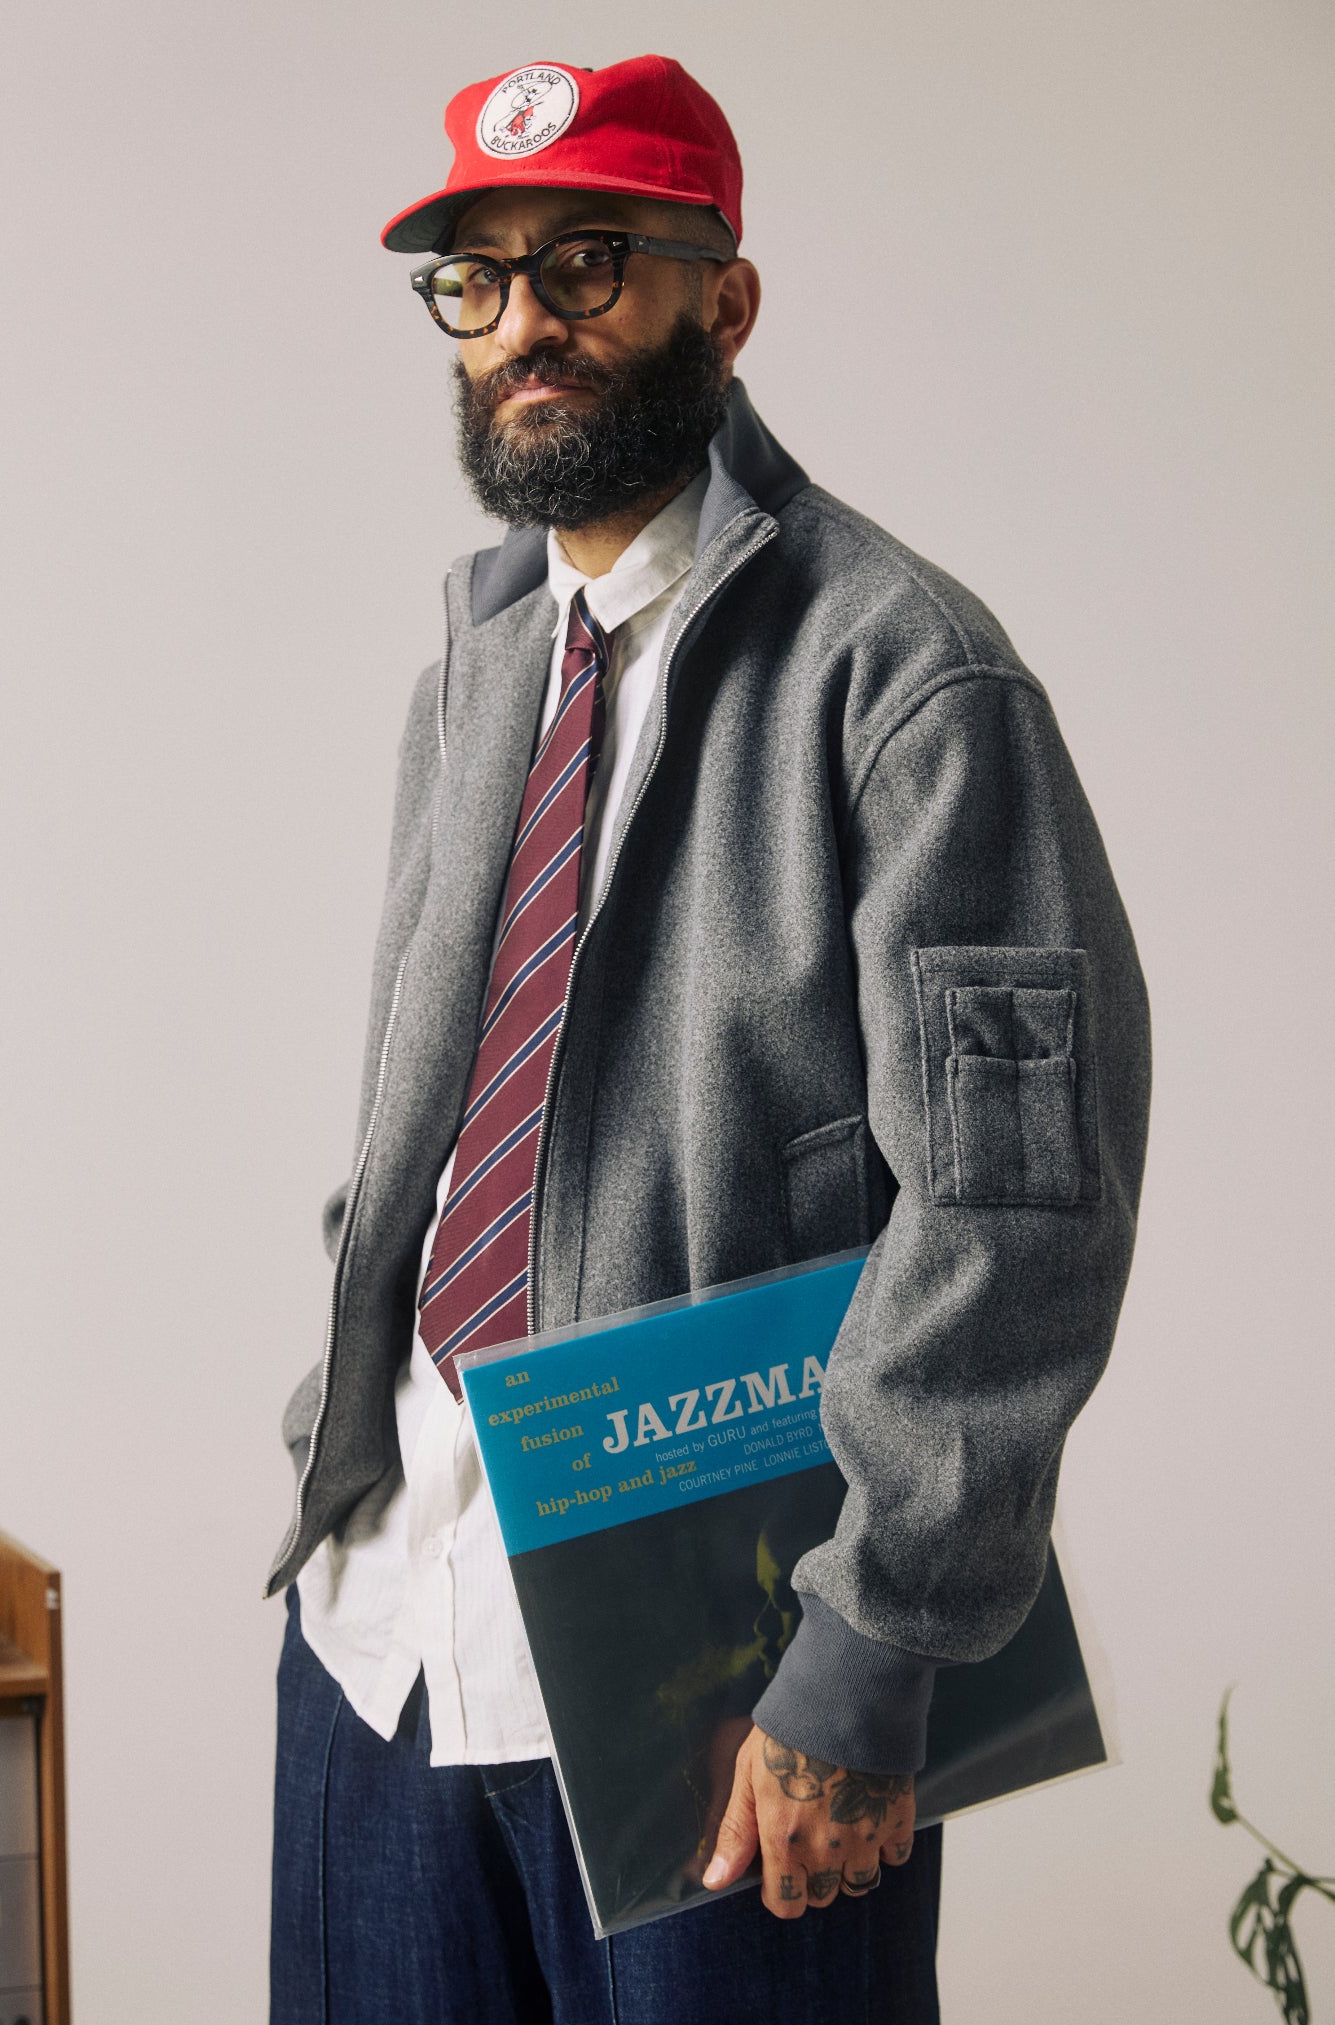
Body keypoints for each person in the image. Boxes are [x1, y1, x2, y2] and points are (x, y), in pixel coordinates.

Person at [266, 53, 1150, 2025]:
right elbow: (434, 1132)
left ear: (721, 303)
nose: (523, 329)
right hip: (384, 1640)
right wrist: (328, 1437)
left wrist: (870, 1649)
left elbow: (1015, 1212)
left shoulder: (905, 678)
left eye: (587, 264)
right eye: (475, 282)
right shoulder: (477, 672)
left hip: (716, 1701)